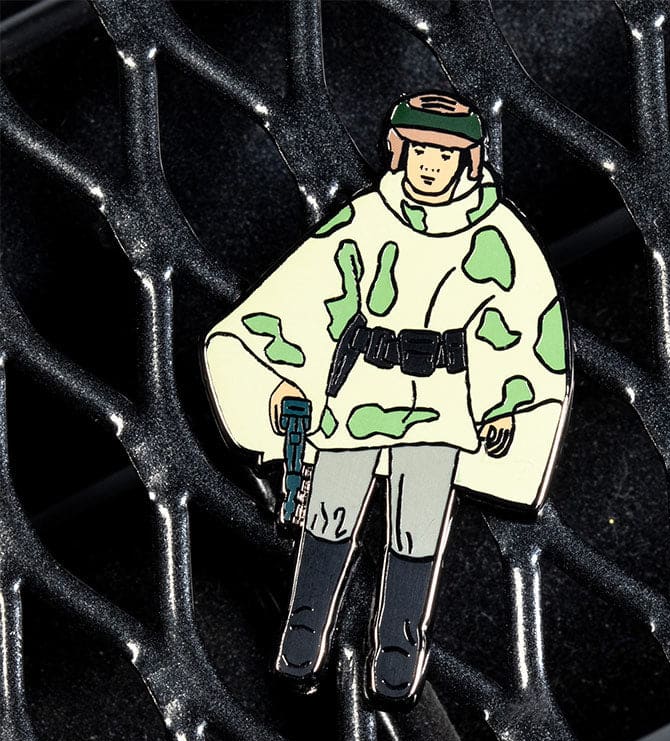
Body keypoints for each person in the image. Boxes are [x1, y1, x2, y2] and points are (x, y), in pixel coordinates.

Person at [203, 91, 571, 707]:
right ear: (400, 151)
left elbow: (525, 320)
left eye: (445, 154)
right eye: (420, 150)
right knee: (327, 515)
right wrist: (282, 377)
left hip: (442, 404)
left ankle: (399, 646)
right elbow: (307, 293)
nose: (430, 164)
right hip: (359, 392)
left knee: (418, 530)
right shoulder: (366, 218)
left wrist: (503, 403)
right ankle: (304, 629)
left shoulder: (499, 234)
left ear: (468, 161)